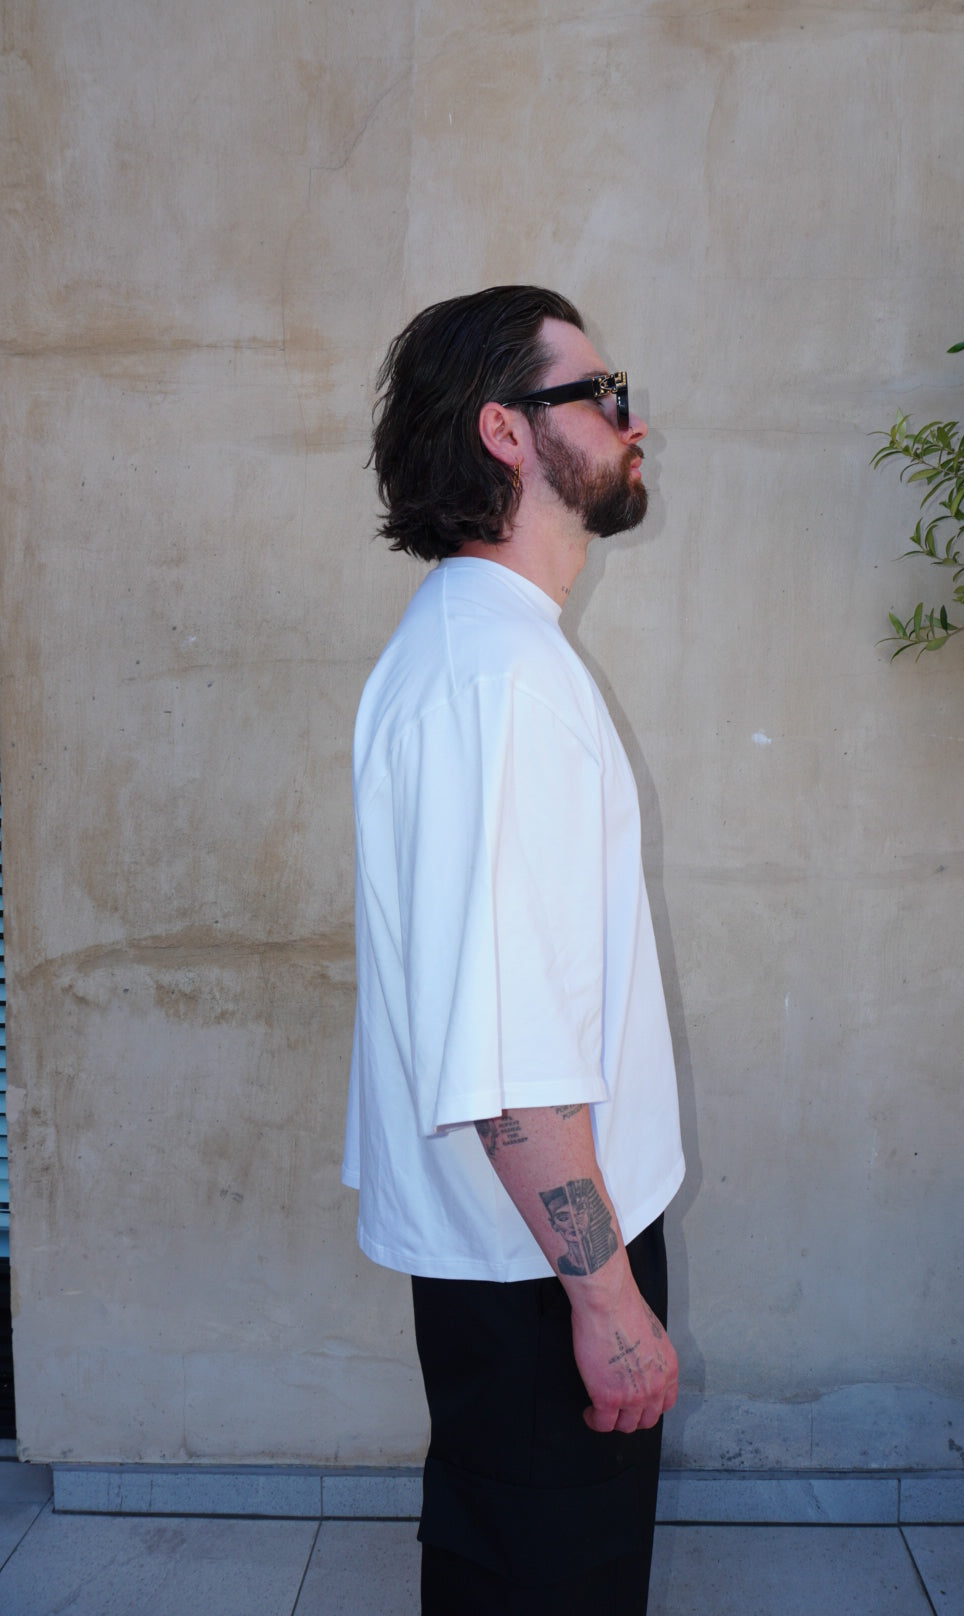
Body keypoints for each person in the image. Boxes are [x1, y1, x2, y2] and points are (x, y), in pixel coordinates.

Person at [342, 285, 684, 1614]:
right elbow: (507, 1051)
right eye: (601, 395)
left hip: (519, 1256)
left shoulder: (474, 652)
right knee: (549, 1583)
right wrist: (607, 1303)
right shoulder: (501, 683)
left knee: (507, 1567)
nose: (632, 417)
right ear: (504, 431)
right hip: (544, 1267)